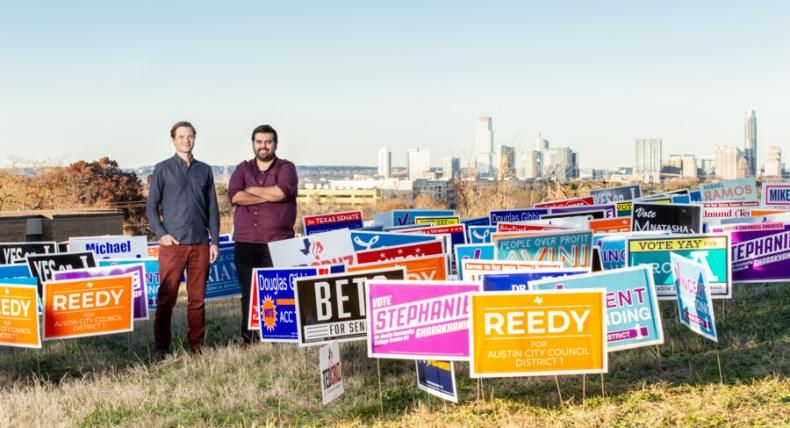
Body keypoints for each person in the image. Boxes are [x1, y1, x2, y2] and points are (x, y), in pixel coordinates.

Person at [146, 121, 220, 358]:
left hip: (200, 243)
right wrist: (161, 234)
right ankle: (161, 348)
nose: (186, 140)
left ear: (194, 139)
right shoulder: (162, 169)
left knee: (197, 300)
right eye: (181, 137)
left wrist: (215, 240)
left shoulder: (204, 170)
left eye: (190, 136)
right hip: (173, 245)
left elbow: (212, 209)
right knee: (166, 300)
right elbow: (151, 207)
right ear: (173, 140)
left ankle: (196, 347)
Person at [228, 124, 298, 344]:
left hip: (277, 242)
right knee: (249, 293)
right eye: (259, 141)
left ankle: (277, 337)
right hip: (246, 241)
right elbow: (235, 196)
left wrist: (251, 190)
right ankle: (250, 338)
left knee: (277, 290)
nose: (263, 146)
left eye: (268, 141)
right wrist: (268, 194)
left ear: (275, 144)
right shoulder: (242, 168)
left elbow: (281, 193)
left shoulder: (287, 168)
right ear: (253, 144)